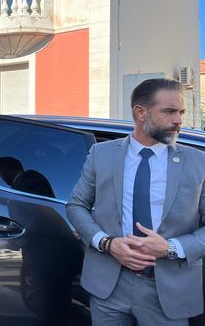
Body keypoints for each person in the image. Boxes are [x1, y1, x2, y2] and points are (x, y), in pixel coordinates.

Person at [67, 78, 205, 325]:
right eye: (170, 111)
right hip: (109, 286)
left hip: (168, 292)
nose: (178, 120)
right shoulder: (102, 154)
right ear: (140, 112)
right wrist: (107, 243)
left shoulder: (198, 162)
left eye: (181, 112)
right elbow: (76, 205)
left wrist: (171, 247)